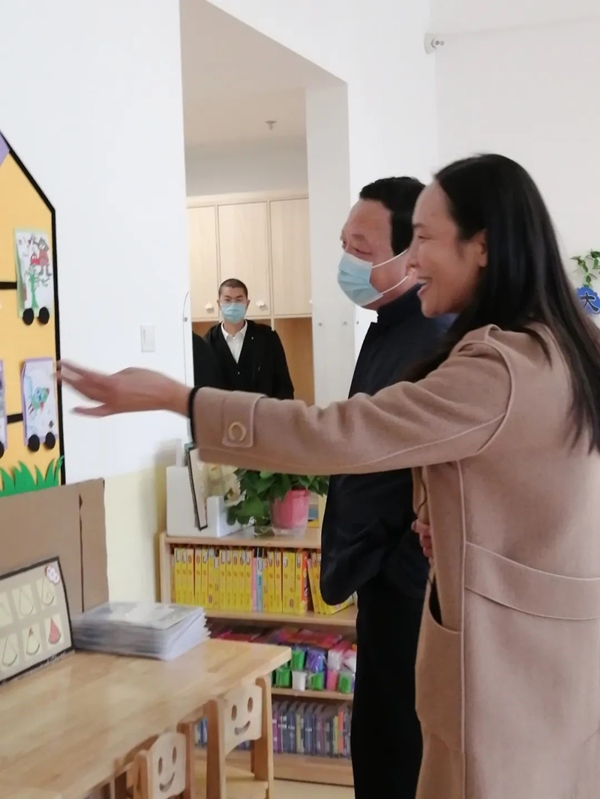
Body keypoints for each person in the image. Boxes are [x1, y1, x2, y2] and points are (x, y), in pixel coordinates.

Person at [61, 153, 600, 799]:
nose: (412, 260)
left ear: (481, 245)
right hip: (549, 655)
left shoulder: (498, 366)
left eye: (423, 239)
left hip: (501, 661)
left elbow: (339, 432)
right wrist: (456, 526)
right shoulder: (562, 344)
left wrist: (181, 399)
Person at [328, 177, 453, 798]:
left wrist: (400, 567)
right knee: (377, 743)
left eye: (363, 249)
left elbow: (441, 476)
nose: (348, 262)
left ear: (411, 254)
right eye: (344, 245)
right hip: (382, 578)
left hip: (408, 581)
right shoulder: (388, 326)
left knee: (400, 752)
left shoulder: (434, 338)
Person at [204, 278, 294, 399]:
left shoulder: (268, 338)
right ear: (219, 303)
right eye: (227, 300)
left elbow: (284, 386)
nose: (233, 305)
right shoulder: (208, 343)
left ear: (247, 303)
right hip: (224, 410)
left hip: (262, 409)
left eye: (238, 300)